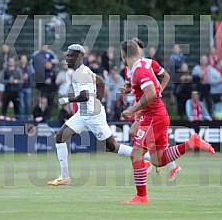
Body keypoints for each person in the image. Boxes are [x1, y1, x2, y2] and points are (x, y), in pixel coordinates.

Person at [120, 39, 215, 204]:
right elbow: (145, 89)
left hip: (152, 116)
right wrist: (130, 90)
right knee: (158, 160)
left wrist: (132, 109)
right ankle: (191, 143)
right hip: (157, 114)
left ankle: (141, 197)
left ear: (123, 54)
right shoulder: (136, 69)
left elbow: (150, 94)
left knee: (136, 154)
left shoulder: (140, 70)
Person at [47, 44, 152, 187]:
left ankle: (151, 158)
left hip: (93, 116)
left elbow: (84, 96)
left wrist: (67, 99)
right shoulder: (85, 70)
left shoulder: (81, 73)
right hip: (83, 114)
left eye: (69, 55)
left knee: (113, 147)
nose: (66, 58)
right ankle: (65, 177)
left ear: (78, 57)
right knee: (59, 137)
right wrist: (98, 101)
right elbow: (101, 83)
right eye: (66, 55)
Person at [122, 37, 181, 182]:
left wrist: (160, 88)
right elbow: (132, 87)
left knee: (139, 140)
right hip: (142, 107)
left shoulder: (148, 63)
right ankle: (165, 164)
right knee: (133, 133)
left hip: (149, 107)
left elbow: (165, 77)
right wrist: (126, 90)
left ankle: (158, 164)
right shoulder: (130, 68)